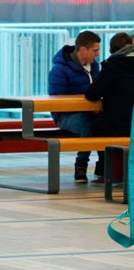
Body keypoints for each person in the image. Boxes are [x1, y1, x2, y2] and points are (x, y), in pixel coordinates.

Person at [47, 30, 102, 182]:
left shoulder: (95, 67)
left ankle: (104, 166)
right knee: (88, 123)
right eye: (95, 50)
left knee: (106, 122)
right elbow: (55, 101)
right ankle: (81, 165)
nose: (97, 54)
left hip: (91, 113)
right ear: (83, 49)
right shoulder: (59, 70)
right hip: (66, 116)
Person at [85, 37, 134, 183]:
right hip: (131, 126)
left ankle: (105, 171)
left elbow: (92, 94)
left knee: (95, 125)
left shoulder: (114, 66)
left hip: (119, 126)